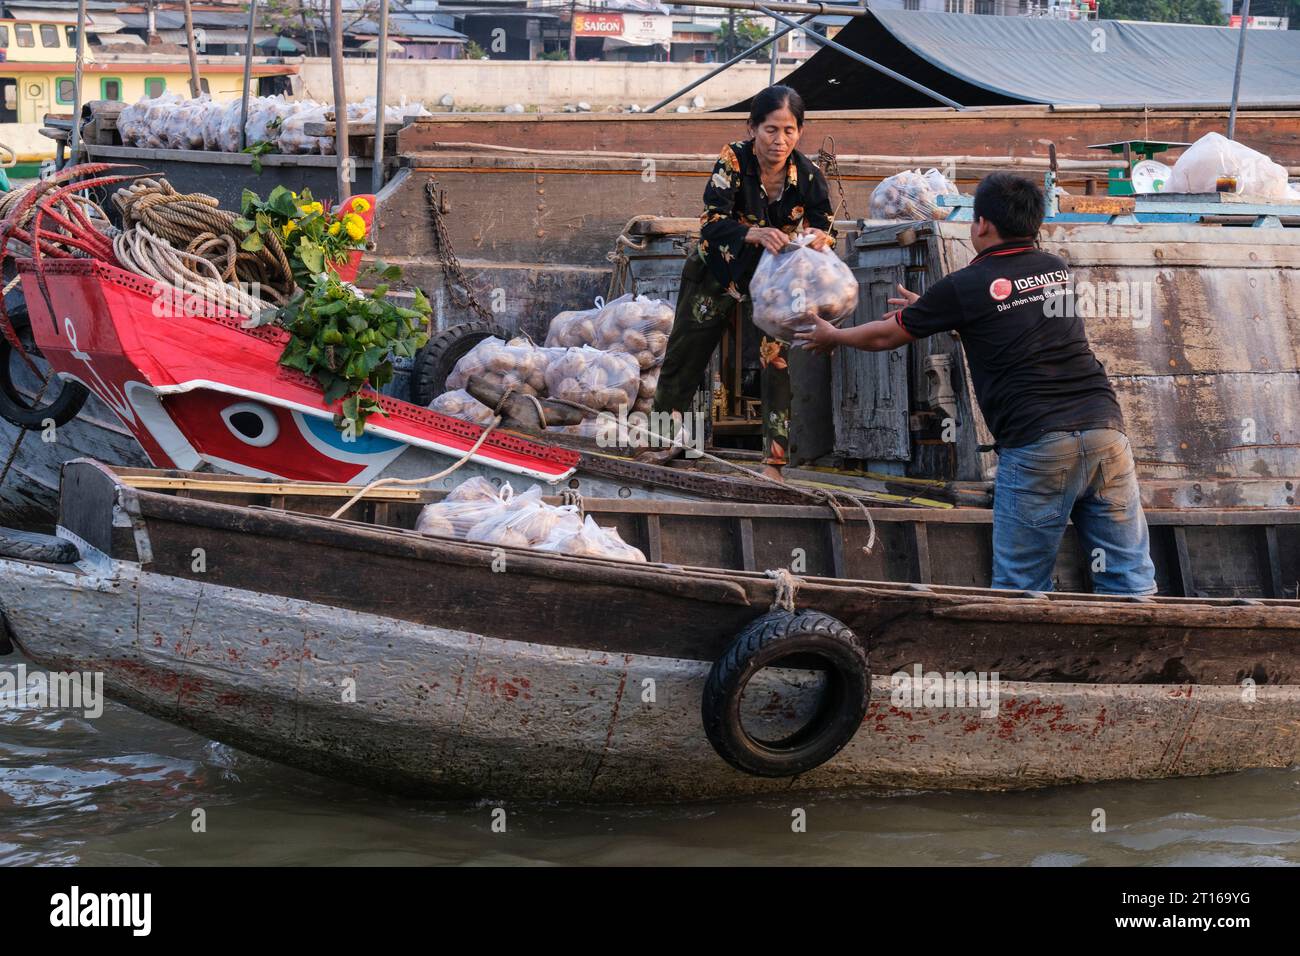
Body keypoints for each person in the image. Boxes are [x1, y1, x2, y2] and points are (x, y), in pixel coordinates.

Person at [797, 172, 1157, 597]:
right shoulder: (1053, 269)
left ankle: (1022, 663)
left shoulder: (965, 285)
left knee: (1021, 587)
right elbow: (1017, 324)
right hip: (1106, 432)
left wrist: (833, 336)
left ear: (982, 224)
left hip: (1037, 442)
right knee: (1129, 577)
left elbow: (885, 334)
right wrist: (941, 313)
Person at [644, 84, 835, 482]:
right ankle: (661, 440)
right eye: (770, 129)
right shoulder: (733, 159)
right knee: (685, 355)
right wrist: (755, 233)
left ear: (799, 132)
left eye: (788, 130)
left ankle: (774, 462)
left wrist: (819, 238)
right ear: (752, 128)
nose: (779, 140)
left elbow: (823, 222)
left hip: (770, 280)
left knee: (776, 362)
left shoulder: (810, 176)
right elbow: (710, 222)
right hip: (716, 272)